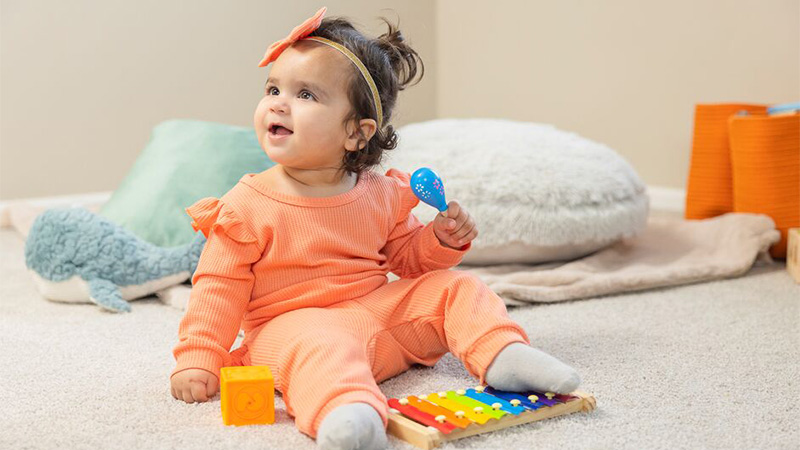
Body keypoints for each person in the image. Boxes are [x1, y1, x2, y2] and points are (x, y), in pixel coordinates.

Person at [169, 7, 580, 450]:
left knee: (457, 287)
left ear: (357, 133)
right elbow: (217, 290)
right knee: (321, 346)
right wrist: (199, 358)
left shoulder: (380, 192)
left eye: (306, 94)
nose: (278, 102)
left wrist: (438, 240)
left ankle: (502, 355)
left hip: (378, 318)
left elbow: (406, 261)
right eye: (273, 88)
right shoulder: (244, 207)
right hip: (289, 331)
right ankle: (349, 413)